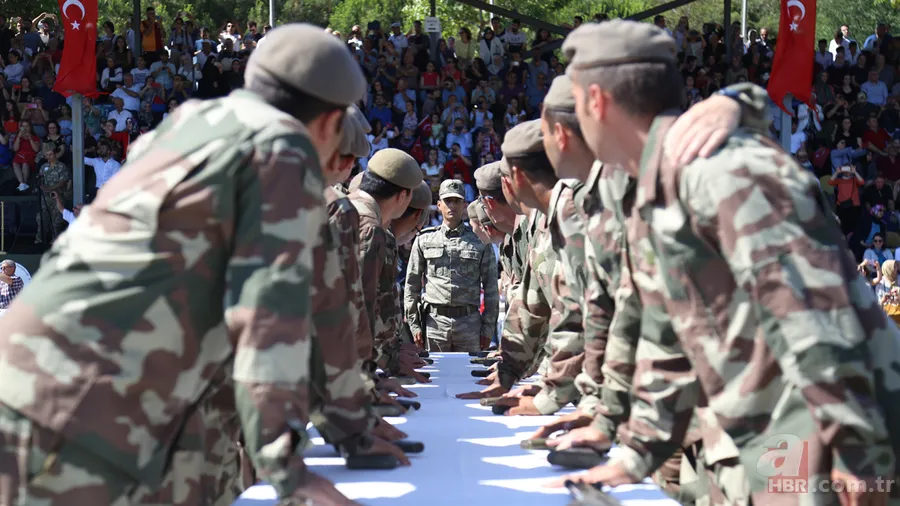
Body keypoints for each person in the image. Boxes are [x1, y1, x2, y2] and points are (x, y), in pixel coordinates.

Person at [0, 23, 389, 506]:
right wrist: (288, 471)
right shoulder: (281, 148)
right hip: (88, 415)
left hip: (26, 377)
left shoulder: (188, 123)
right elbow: (268, 318)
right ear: (332, 123)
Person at [557, 20, 900, 505]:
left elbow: (812, 308)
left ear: (596, 100)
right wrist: (634, 456)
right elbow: (667, 337)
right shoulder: (654, 187)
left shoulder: (719, 169)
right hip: (769, 446)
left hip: (828, 448)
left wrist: (857, 451)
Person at [350, 149, 427, 380]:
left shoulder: (346, 207)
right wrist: (369, 384)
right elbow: (355, 313)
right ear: (403, 197)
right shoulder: (370, 227)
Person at [405, 179, 499, 353]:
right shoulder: (425, 239)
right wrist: (414, 325)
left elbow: (491, 287)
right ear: (439, 205)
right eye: (448, 201)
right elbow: (412, 285)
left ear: (465, 205)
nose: (452, 206)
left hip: (469, 324)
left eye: (457, 201)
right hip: (435, 324)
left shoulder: (480, 241)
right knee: (435, 375)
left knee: (468, 376)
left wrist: (488, 328)